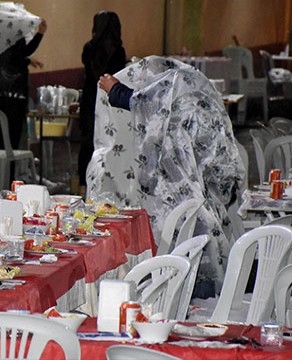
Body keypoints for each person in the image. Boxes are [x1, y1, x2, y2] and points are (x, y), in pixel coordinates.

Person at [88, 56, 246, 295]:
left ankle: (181, 295)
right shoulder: (198, 93)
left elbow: (151, 103)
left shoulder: (176, 100)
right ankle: (191, 293)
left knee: (182, 241)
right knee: (199, 239)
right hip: (210, 184)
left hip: (184, 191)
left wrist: (116, 89)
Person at [77, 11, 126, 195]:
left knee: (87, 143)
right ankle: (106, 186)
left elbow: (89, 74)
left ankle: (82, 186)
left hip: (90, 99)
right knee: (108, 143)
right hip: (109, 101)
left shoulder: (88, 48)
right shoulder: (118, 51)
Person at [0, 19, 47, 150]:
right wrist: (26, 61)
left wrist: (40, 33)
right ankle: (7, 169)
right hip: (13, 97)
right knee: (10, 141)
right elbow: (17, 57)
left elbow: (22, 53)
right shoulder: (11, 40)